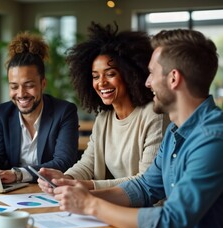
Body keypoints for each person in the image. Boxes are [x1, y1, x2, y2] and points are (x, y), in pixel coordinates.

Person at [52, 29, 223, 228]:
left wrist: (91, 205)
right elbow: (145, 187)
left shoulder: (213, 139)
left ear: (173, 78)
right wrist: (81, 195)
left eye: (152, 73)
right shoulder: (175, 131)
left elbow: (169, 224)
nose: (147, 82)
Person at [38, 22, 168, 191]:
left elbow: (145, 181)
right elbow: (88, 164)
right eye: (95, 76)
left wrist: (86, 186)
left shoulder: (153, 114)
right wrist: (64, 178)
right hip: (114, 203)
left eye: (110, 74)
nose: (101, 82)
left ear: (130, 74)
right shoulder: (103, 118)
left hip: (145, 211)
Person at [0, 32, 79, 184]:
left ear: (43, 84)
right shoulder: (3, 112)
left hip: (50, 190)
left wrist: (18, 174)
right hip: (13, 192)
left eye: (29, 86)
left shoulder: (64, 112)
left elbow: (63, 163)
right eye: (14, 87)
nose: (21, 94)